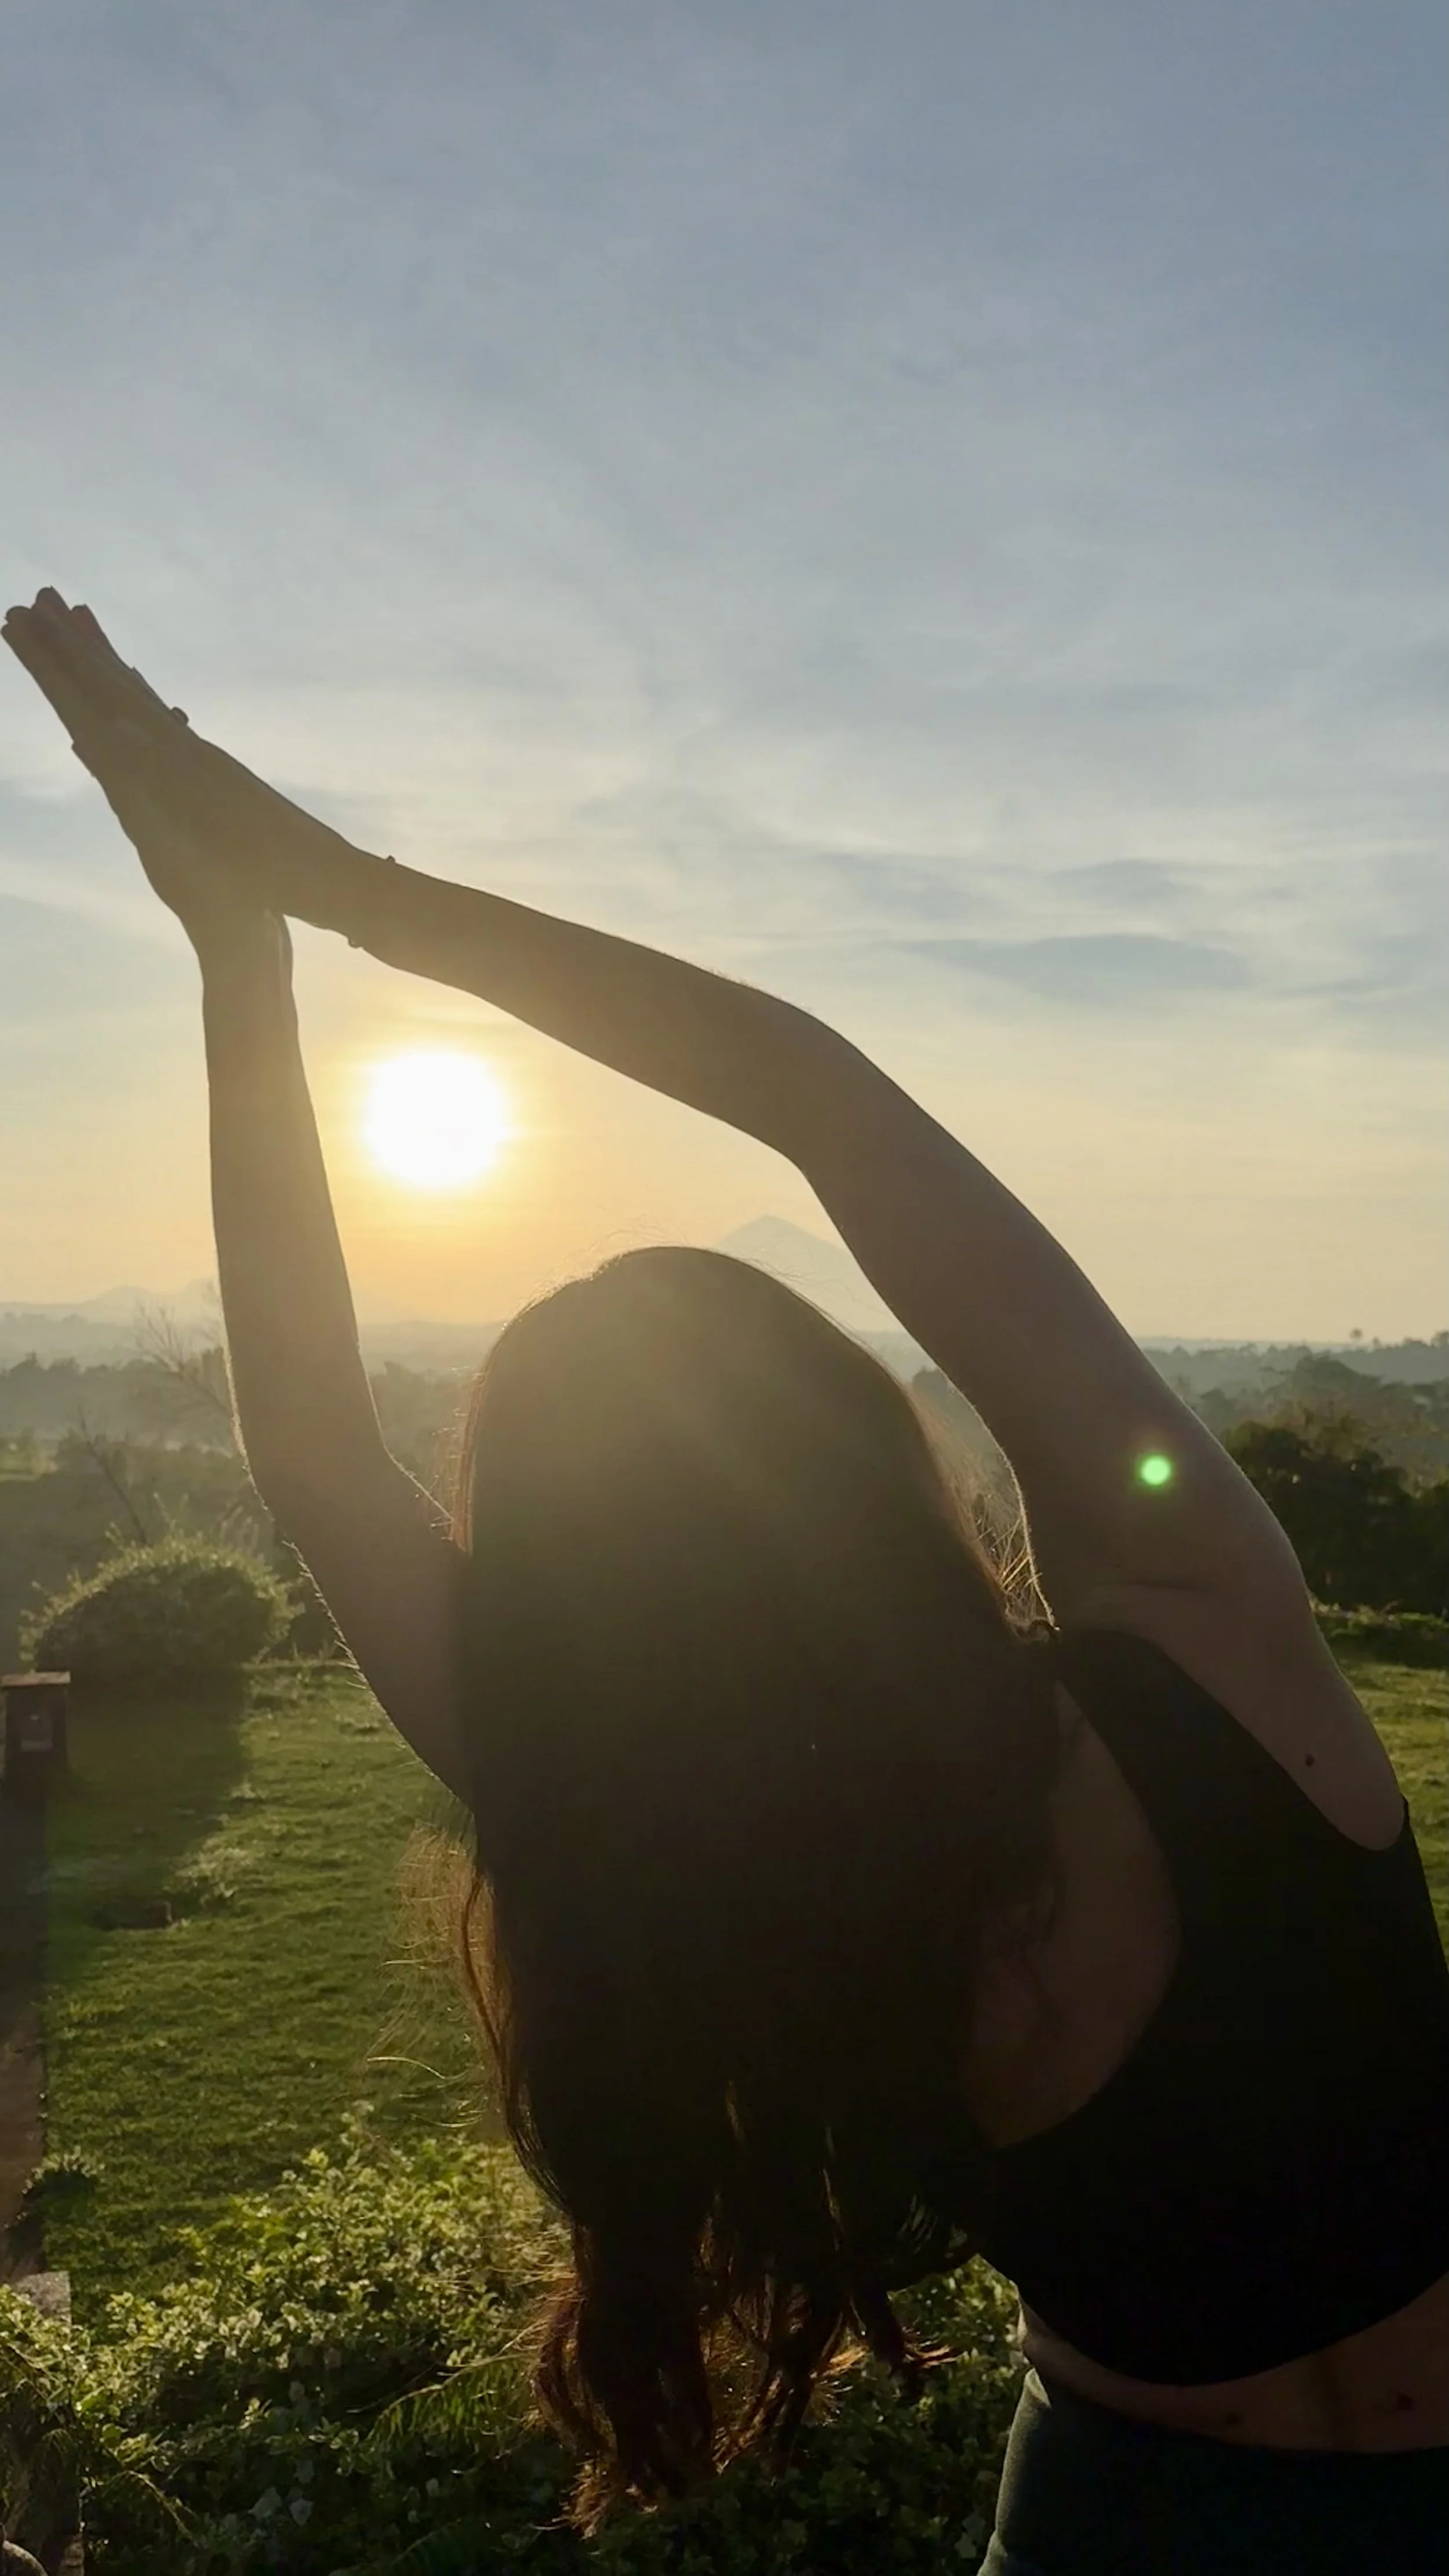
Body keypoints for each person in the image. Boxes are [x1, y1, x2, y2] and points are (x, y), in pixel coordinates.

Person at [6, 588, 1448, 2571]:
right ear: (864, 1452)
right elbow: (819, 1100)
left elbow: (319, 1452)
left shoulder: (637, 1809)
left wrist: (238, 955)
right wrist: (338, 890)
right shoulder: (1189, 1616)